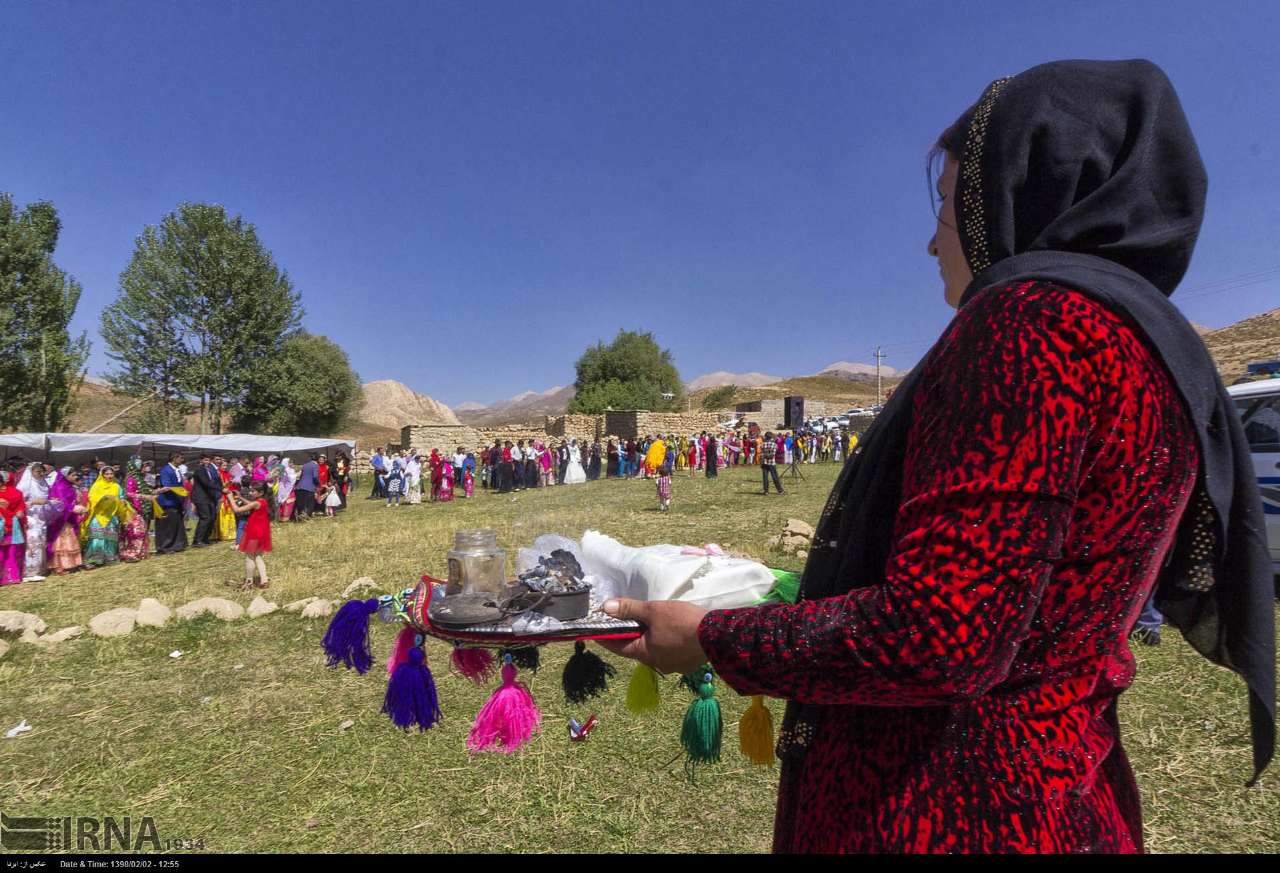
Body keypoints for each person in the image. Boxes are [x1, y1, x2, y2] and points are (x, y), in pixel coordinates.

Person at [598, 61, 1275, 853]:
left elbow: (942, 634)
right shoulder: (1147, 344)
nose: (932, 239)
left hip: (949, 809)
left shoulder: (1035, 328)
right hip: (1059, 790)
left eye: (950, 199)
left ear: (1018, 187)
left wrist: (715, 637)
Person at [82, 465, 131, 568]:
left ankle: (109, 558)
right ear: (102, 475)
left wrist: (122, 501)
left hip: (111, 516)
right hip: (99, 515)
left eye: (111, 474)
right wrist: (103, 497)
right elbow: (91, 497)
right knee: (97, 538)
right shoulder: (97, 485)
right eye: (107, 474)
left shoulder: (116, 486)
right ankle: (94, 559)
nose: (109, 476)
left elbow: (121, 497)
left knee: (110, 538)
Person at [229, 480, 272, 590]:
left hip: (254, 532)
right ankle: (264, 580)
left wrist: (230, 498)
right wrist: (240, 497)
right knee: (258, 556)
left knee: (249, 557)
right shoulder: (263, 501)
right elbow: (251, 504)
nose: (251, 493)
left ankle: (249, 582)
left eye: (253, 491)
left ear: (260, 492)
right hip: (262, 532)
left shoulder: (256, 503)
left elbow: (237, 509)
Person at [18, 463, 52, 581]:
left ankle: (39, 569)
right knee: (33, 542)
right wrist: (33, 502)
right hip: (30, 518)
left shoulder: (44, 484)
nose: (41, 474)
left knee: (41, 542)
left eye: (42, 471)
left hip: (42, 518)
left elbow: (45, 499)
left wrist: (50, 501)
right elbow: (18, 504)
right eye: (38, 472)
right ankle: (29, 572)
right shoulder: (26, 485)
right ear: (31, 472)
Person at [154, 452, 188, 554]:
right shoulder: (166, 470)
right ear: (174, 458)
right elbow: (167, 485)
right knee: (167, 526)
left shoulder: (177, 470)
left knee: (176, 524)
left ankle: (177, 544)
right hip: (167, 502)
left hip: (176, 501)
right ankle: (165, 547)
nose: (182, 460)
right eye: (180, 458)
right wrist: (178, 490)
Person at [0, 471, 27, 585]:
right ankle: (12, 576)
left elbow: (21, 507)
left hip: (7, 526)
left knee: (6, 552)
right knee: (11, 552)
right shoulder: (16, 493)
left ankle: (7, 577)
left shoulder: (15, 493)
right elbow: (21, 508)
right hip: (11, 526)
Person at [119, 462, 150, 562]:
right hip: (132, 510)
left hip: (138, 509)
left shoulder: (139, 478)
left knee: (141, 531)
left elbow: (143, 491)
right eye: (142, 466)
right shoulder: (131, 479)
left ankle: (140, 552)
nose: (145, 468)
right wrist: (142, 496)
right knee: (136, 532)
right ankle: (131, 553)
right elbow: (128, 493)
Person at [191, 452, 222, 547]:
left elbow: (214, 481)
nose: (207, 462)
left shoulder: (208, 469)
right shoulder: (199, 470)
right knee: (205, 518)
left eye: (208, 460)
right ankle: (197, 540)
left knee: (212, 518)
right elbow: (206, 483)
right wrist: (220, 488)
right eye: (205, 460)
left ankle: (205, 538)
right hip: (201, 497)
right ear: (201, 460)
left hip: (210, 497)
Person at [295, 454, 319, 520]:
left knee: (301, 503)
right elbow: (315, 476)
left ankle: (300, 516)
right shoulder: (315, 465)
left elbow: (301, 476)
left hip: (300, 486)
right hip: (309, 487)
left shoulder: (305, 465)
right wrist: (318, 483)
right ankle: (307, 517)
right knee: (310, 503)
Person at [760, 431, 784, 495]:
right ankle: (780, 490)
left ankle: (766, 491)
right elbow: (775, 452)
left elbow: (761, 453)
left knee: (765, 477)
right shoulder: (774, 444)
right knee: (775, 477)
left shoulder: (763, 444)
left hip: (764, 462)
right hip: (771, 462)